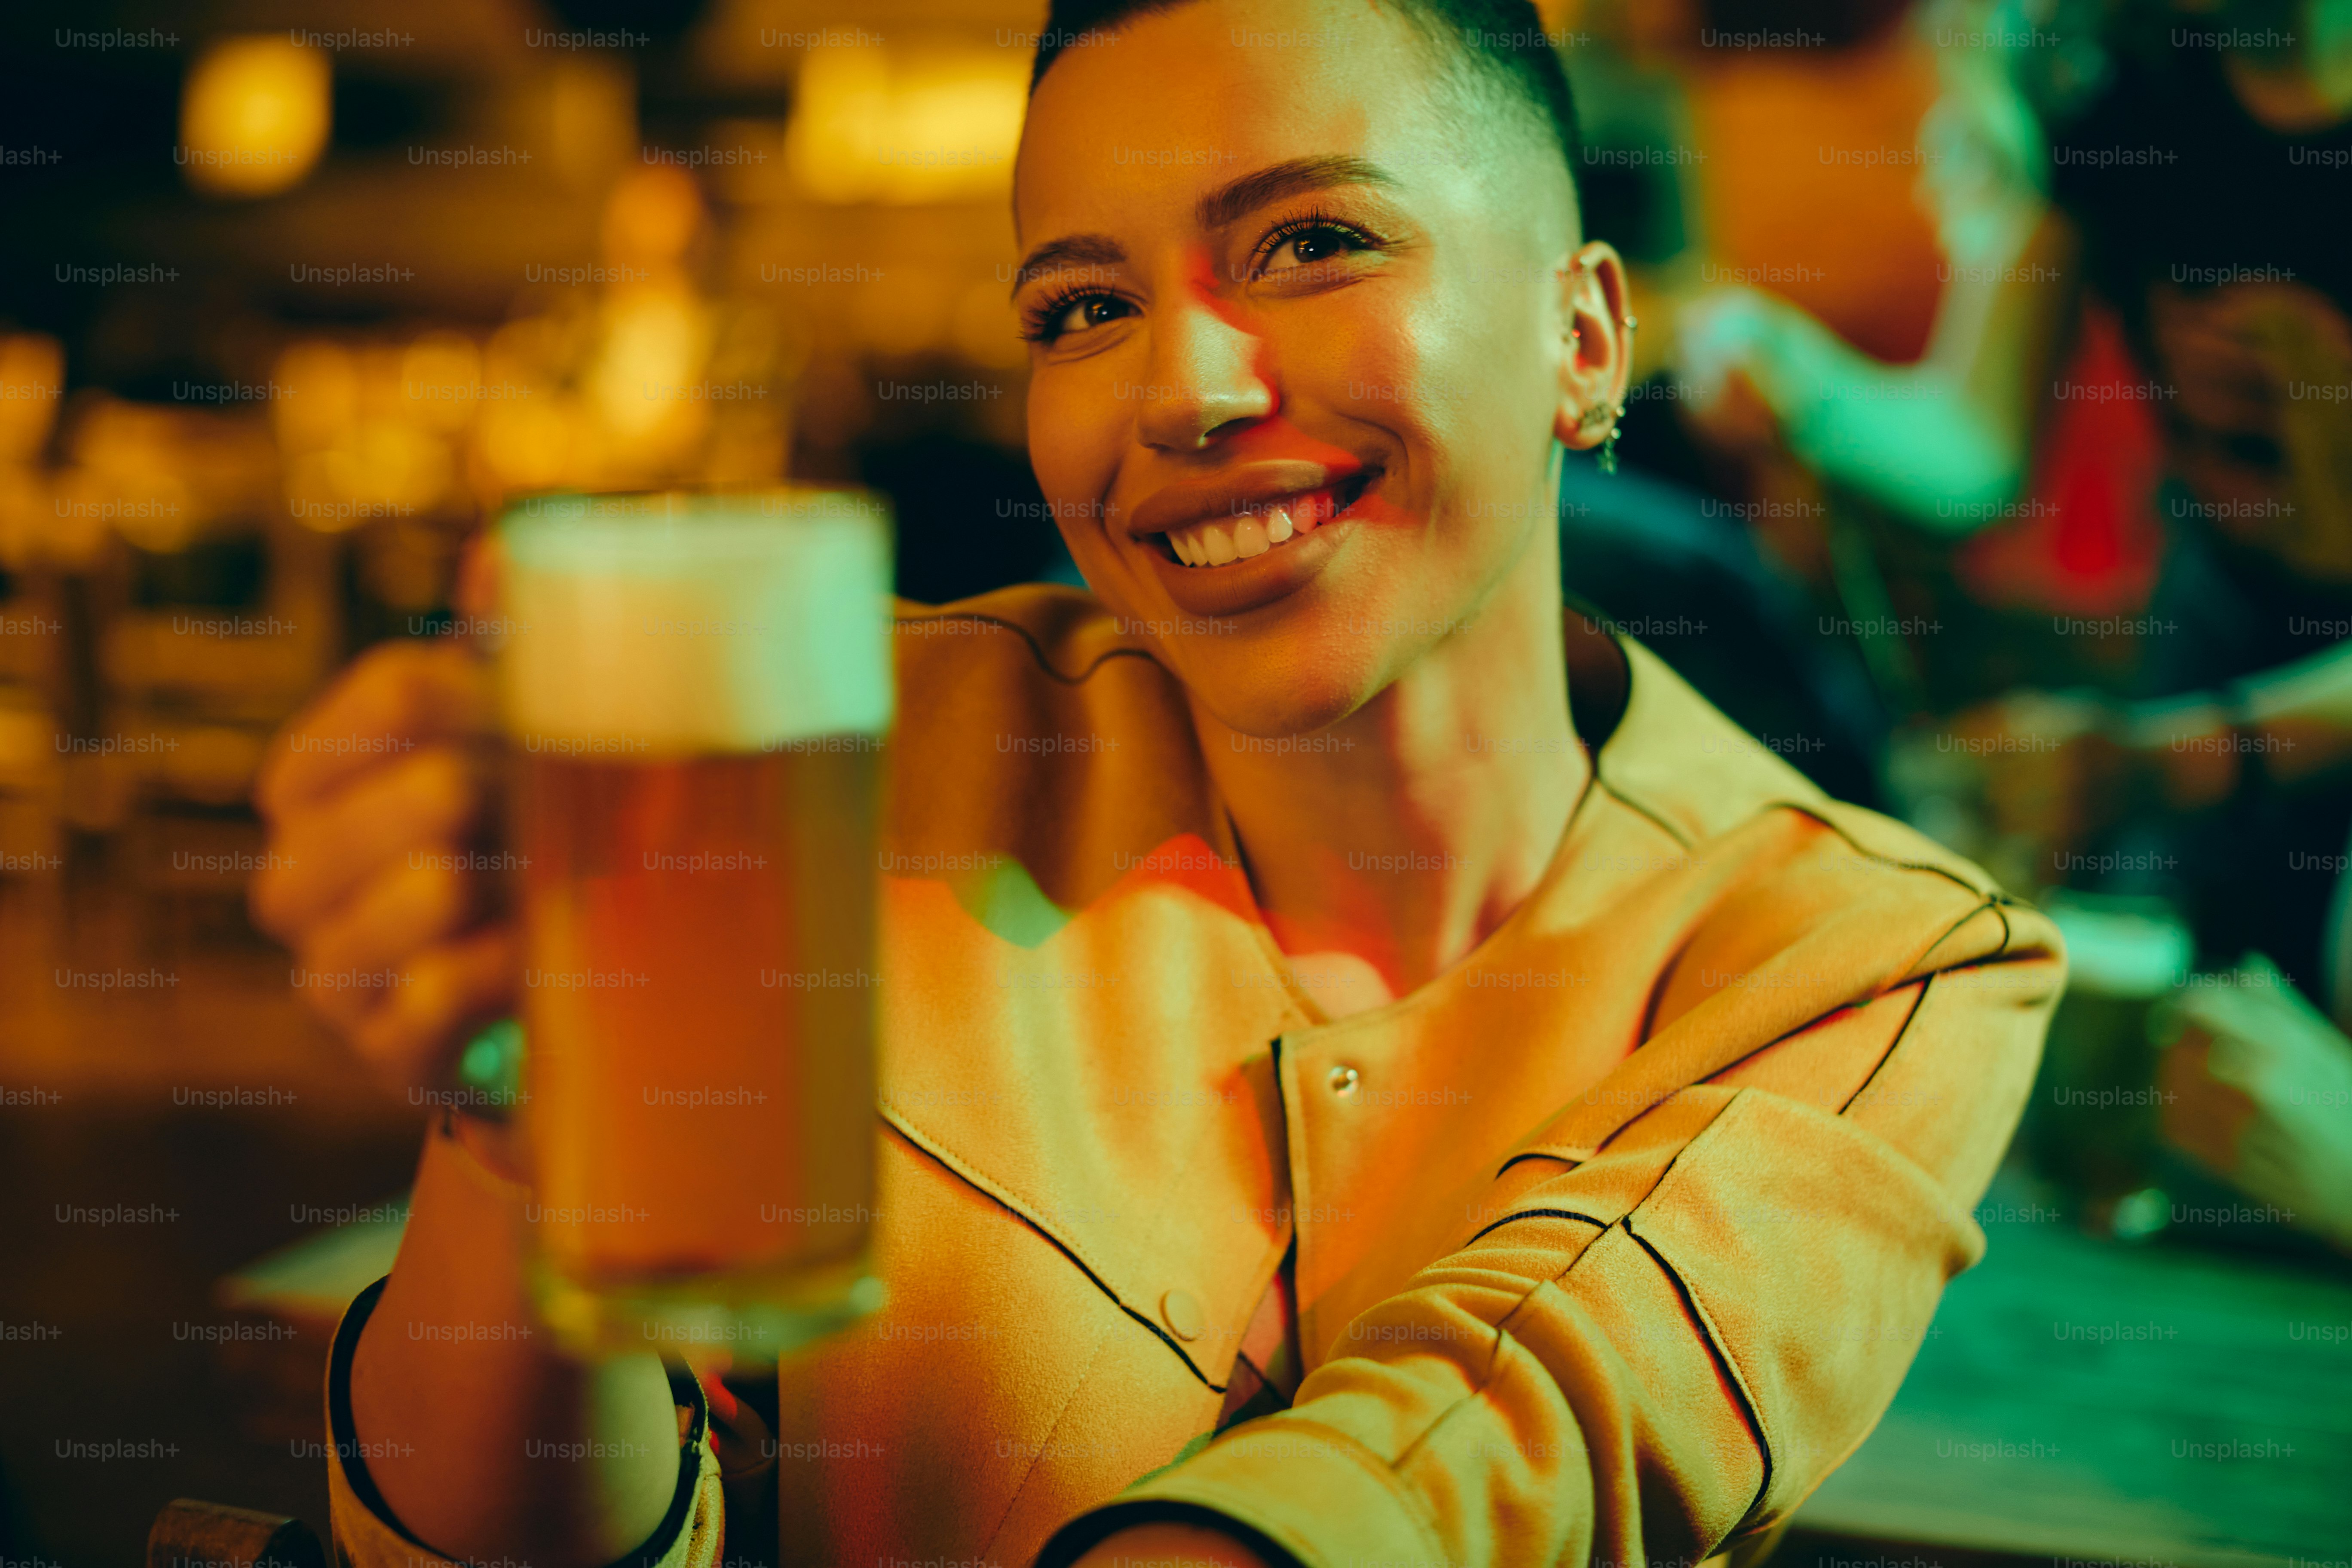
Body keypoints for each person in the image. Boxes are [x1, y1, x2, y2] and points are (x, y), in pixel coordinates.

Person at [249, 3, 2063, 1565]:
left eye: (1313, 245)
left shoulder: (1872, 959)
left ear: (1583, 337)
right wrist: (522, 1136)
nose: (1179, 389)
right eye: (1083, 307)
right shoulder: (822, 757)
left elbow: (1504, 1445)